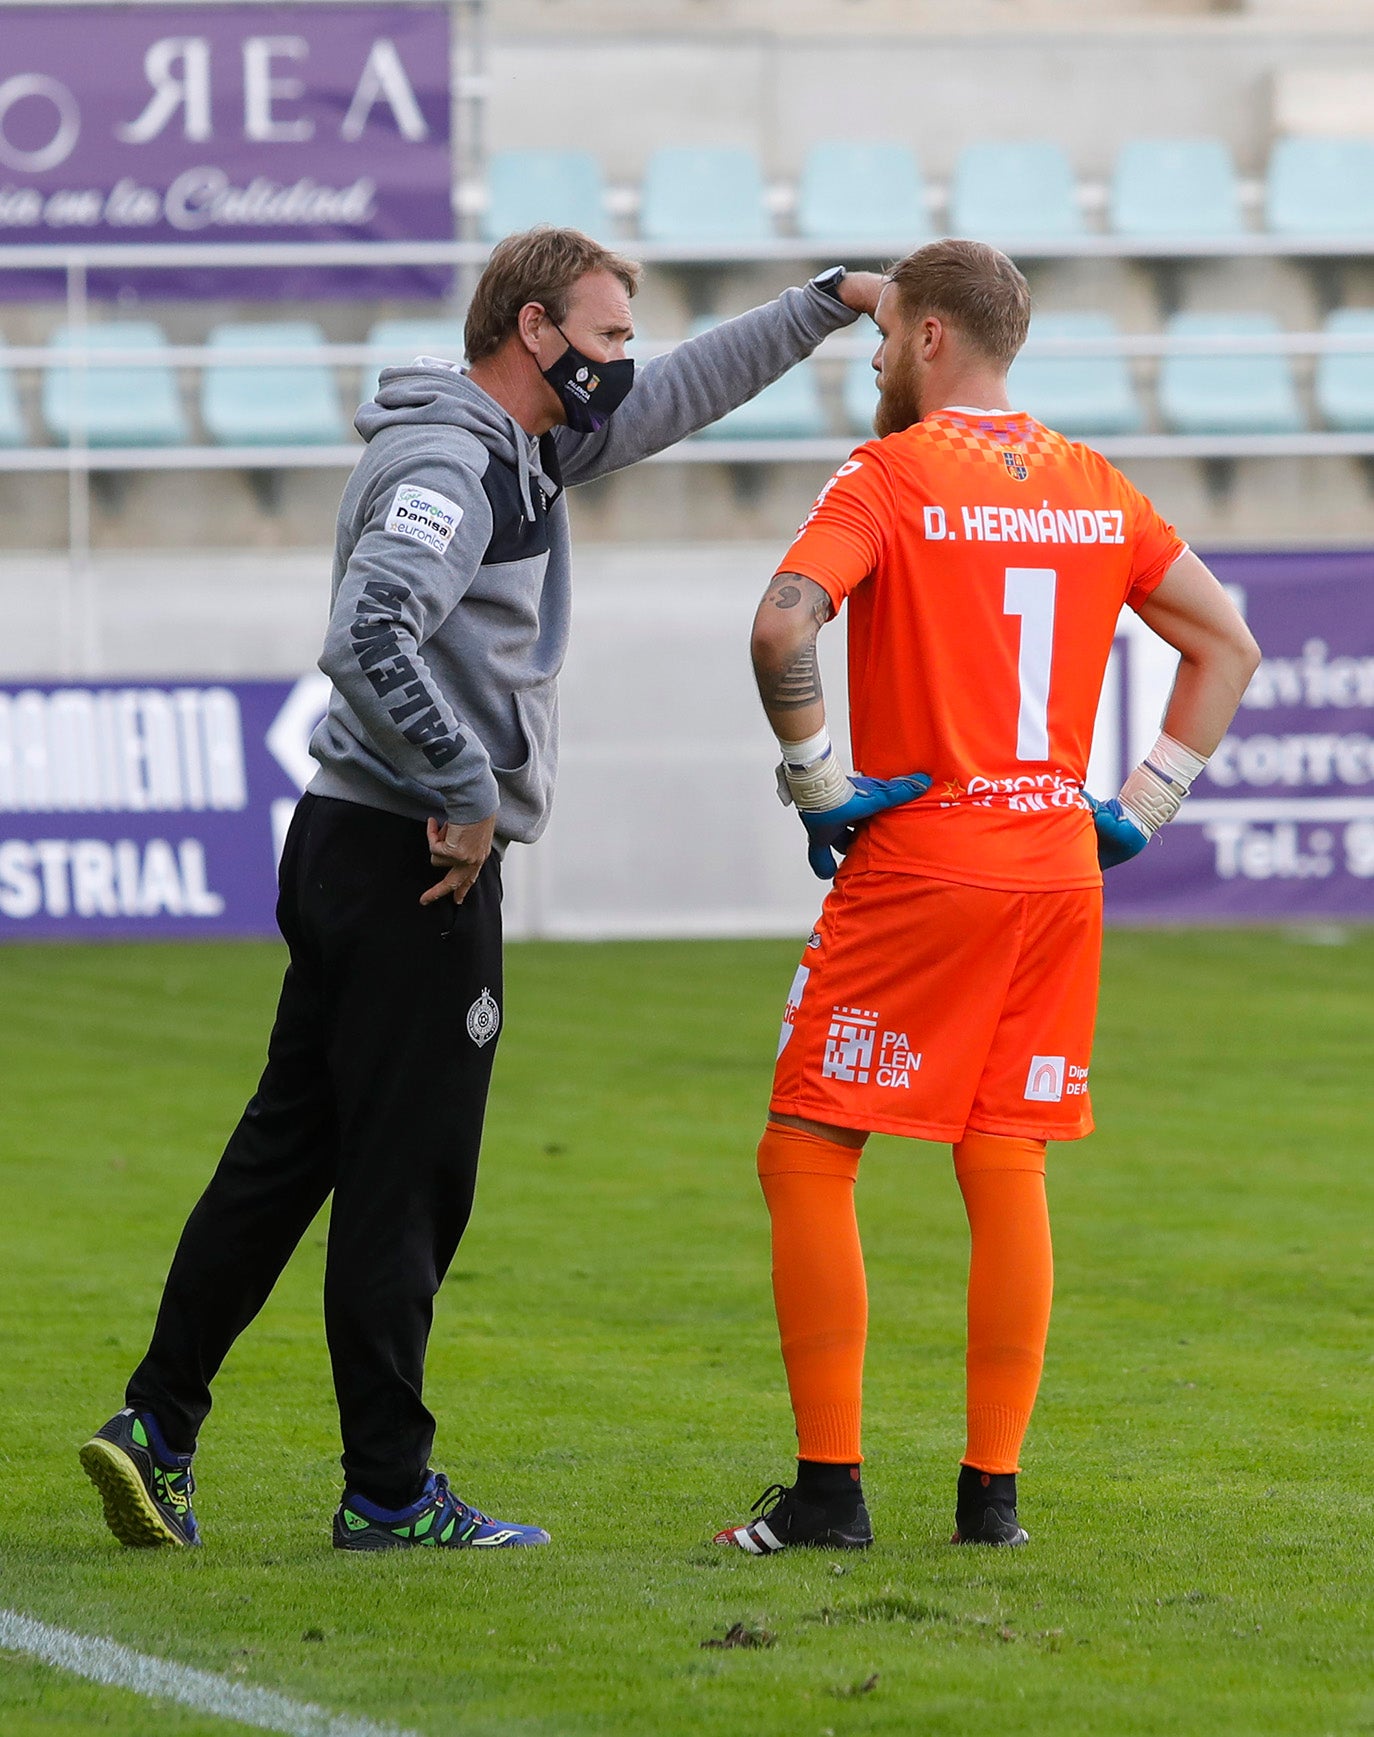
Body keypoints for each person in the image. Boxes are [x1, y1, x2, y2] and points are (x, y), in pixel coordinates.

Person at [79, 226, 884, 1553]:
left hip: (360, 841)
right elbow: (367, 631)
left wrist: (823, 305)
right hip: (411, 860)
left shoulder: (527, 443)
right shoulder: (452, 458)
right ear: (531, 330)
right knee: (408, 1182)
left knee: (288, 1155)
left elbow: (683, 389)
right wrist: (463, 786)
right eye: (606, 337)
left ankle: (156, 1426)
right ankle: (388, 1490)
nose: (624, 364)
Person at [713, 238, 1261, 1556]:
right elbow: (1225, 639)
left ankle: (830, 1491)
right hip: (1052, 868)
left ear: (932, 342)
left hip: (920, 862)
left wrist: (814, 783)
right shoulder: (1089, 482)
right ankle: (989, 1498)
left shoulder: (888, 476)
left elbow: (783, 624)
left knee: (806, 1147)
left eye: (885, 337)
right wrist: (1140, 807)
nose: (875, 358)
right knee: (1002, 1152)